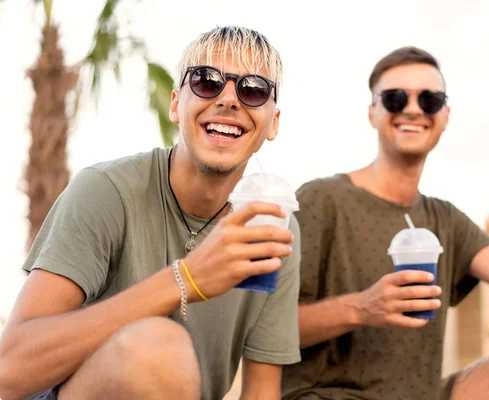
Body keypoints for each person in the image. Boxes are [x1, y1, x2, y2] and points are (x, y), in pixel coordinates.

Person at [0, 26, 301, 400]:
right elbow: (9, 371)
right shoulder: (107, 190)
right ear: (176, 104)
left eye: (253, 89)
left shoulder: (273, 223)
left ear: (273, 123)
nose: (228, 100)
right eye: (207, 82)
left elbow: (261, 393)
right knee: (156, 349)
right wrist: (186, 279)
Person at [281, 46, 489, 400]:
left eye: (429, 99)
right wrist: (361, 307)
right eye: (395, 98)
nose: (414, 109)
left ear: (445, 115)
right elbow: (268, 328)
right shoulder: (320, 199)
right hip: (328, 395)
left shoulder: (445, 219)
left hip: (421, 394)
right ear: (373, 112)